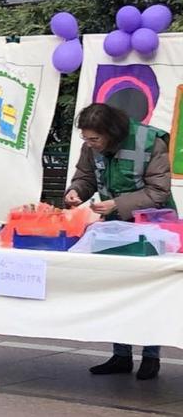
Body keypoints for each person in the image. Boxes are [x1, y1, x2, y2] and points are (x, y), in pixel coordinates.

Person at [65, 102, 174, 381]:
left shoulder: (150, 141)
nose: (90, 144)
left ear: (112, 133)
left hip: (154, 225)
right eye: (86, 139)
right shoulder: (91, 145)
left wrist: (117, 204)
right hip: (115, 225)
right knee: (118, 288)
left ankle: (151, 357)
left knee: (148, 292)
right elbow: (86, 176)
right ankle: (121, 355)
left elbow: (158, 191)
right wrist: (77, 191)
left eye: (95, 139)